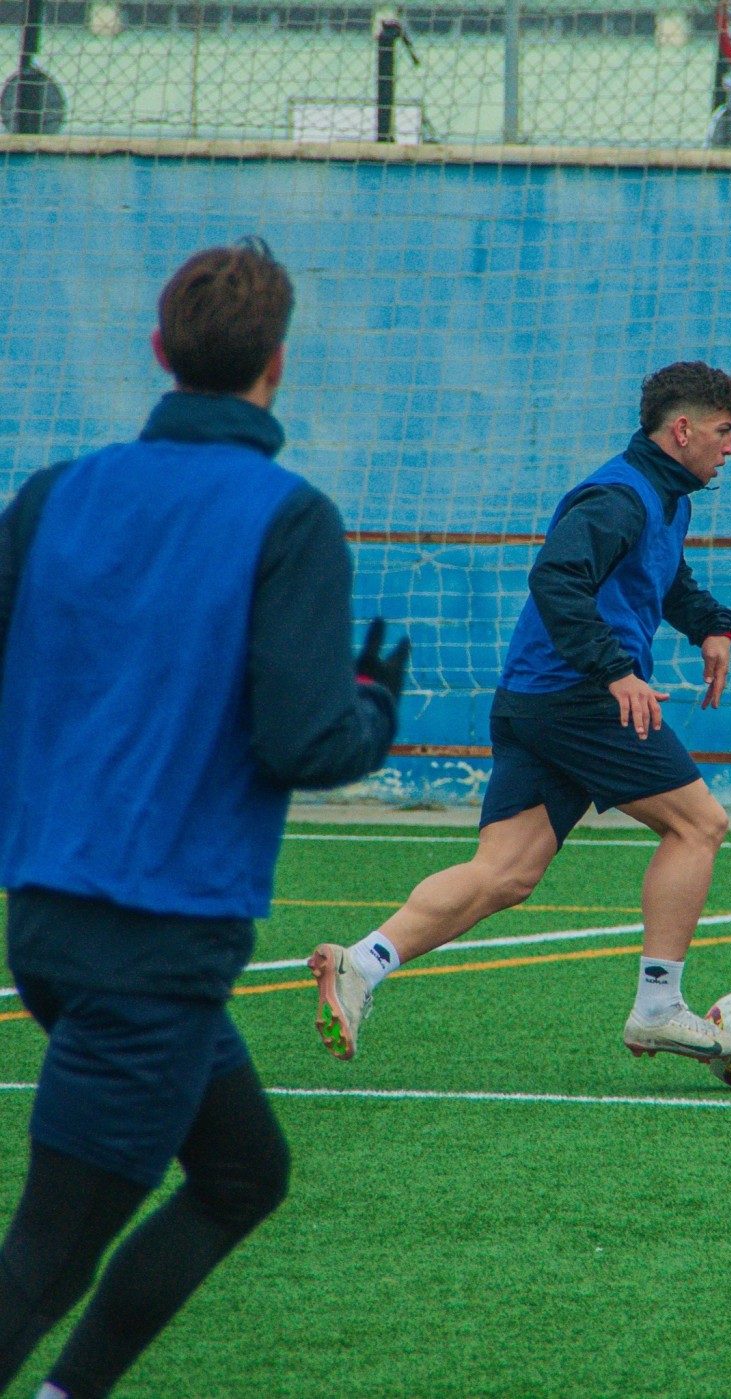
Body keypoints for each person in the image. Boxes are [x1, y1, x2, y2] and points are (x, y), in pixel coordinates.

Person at [0, 238, 408, 1399]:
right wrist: (374, 710)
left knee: (242, 1173)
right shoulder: (290, 518)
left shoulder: (52, 495)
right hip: (160, 939)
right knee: (48, 1251)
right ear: (277, 366)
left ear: (158, 352)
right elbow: (305, 742)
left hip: (49, 921)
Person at [309, 359, 731, 1066]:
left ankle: (362, 961)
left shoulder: (666, 499)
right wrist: (615, 672)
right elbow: (556, 577)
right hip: (578, 697)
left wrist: (711, 625)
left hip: (536, 699)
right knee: (700, 824)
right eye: (724, 432)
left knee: (505, 873)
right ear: (682, 430)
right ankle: (659, 1005)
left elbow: (662, 578)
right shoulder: (618, 497)